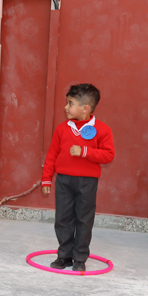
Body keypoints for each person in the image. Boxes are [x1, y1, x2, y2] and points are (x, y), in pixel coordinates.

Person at [41, 84, 115, 272]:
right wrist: (46, 178)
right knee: (63, 218)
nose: (65, 107)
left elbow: (108, 155)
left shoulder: (102, 129)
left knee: (83, 219)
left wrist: (84, 151)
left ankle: (79, 257)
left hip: (87, 182)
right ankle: (64, 255)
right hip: (64, 181)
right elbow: (51, 155)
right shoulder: (61, 129)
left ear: (85, 108)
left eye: (70, 103)